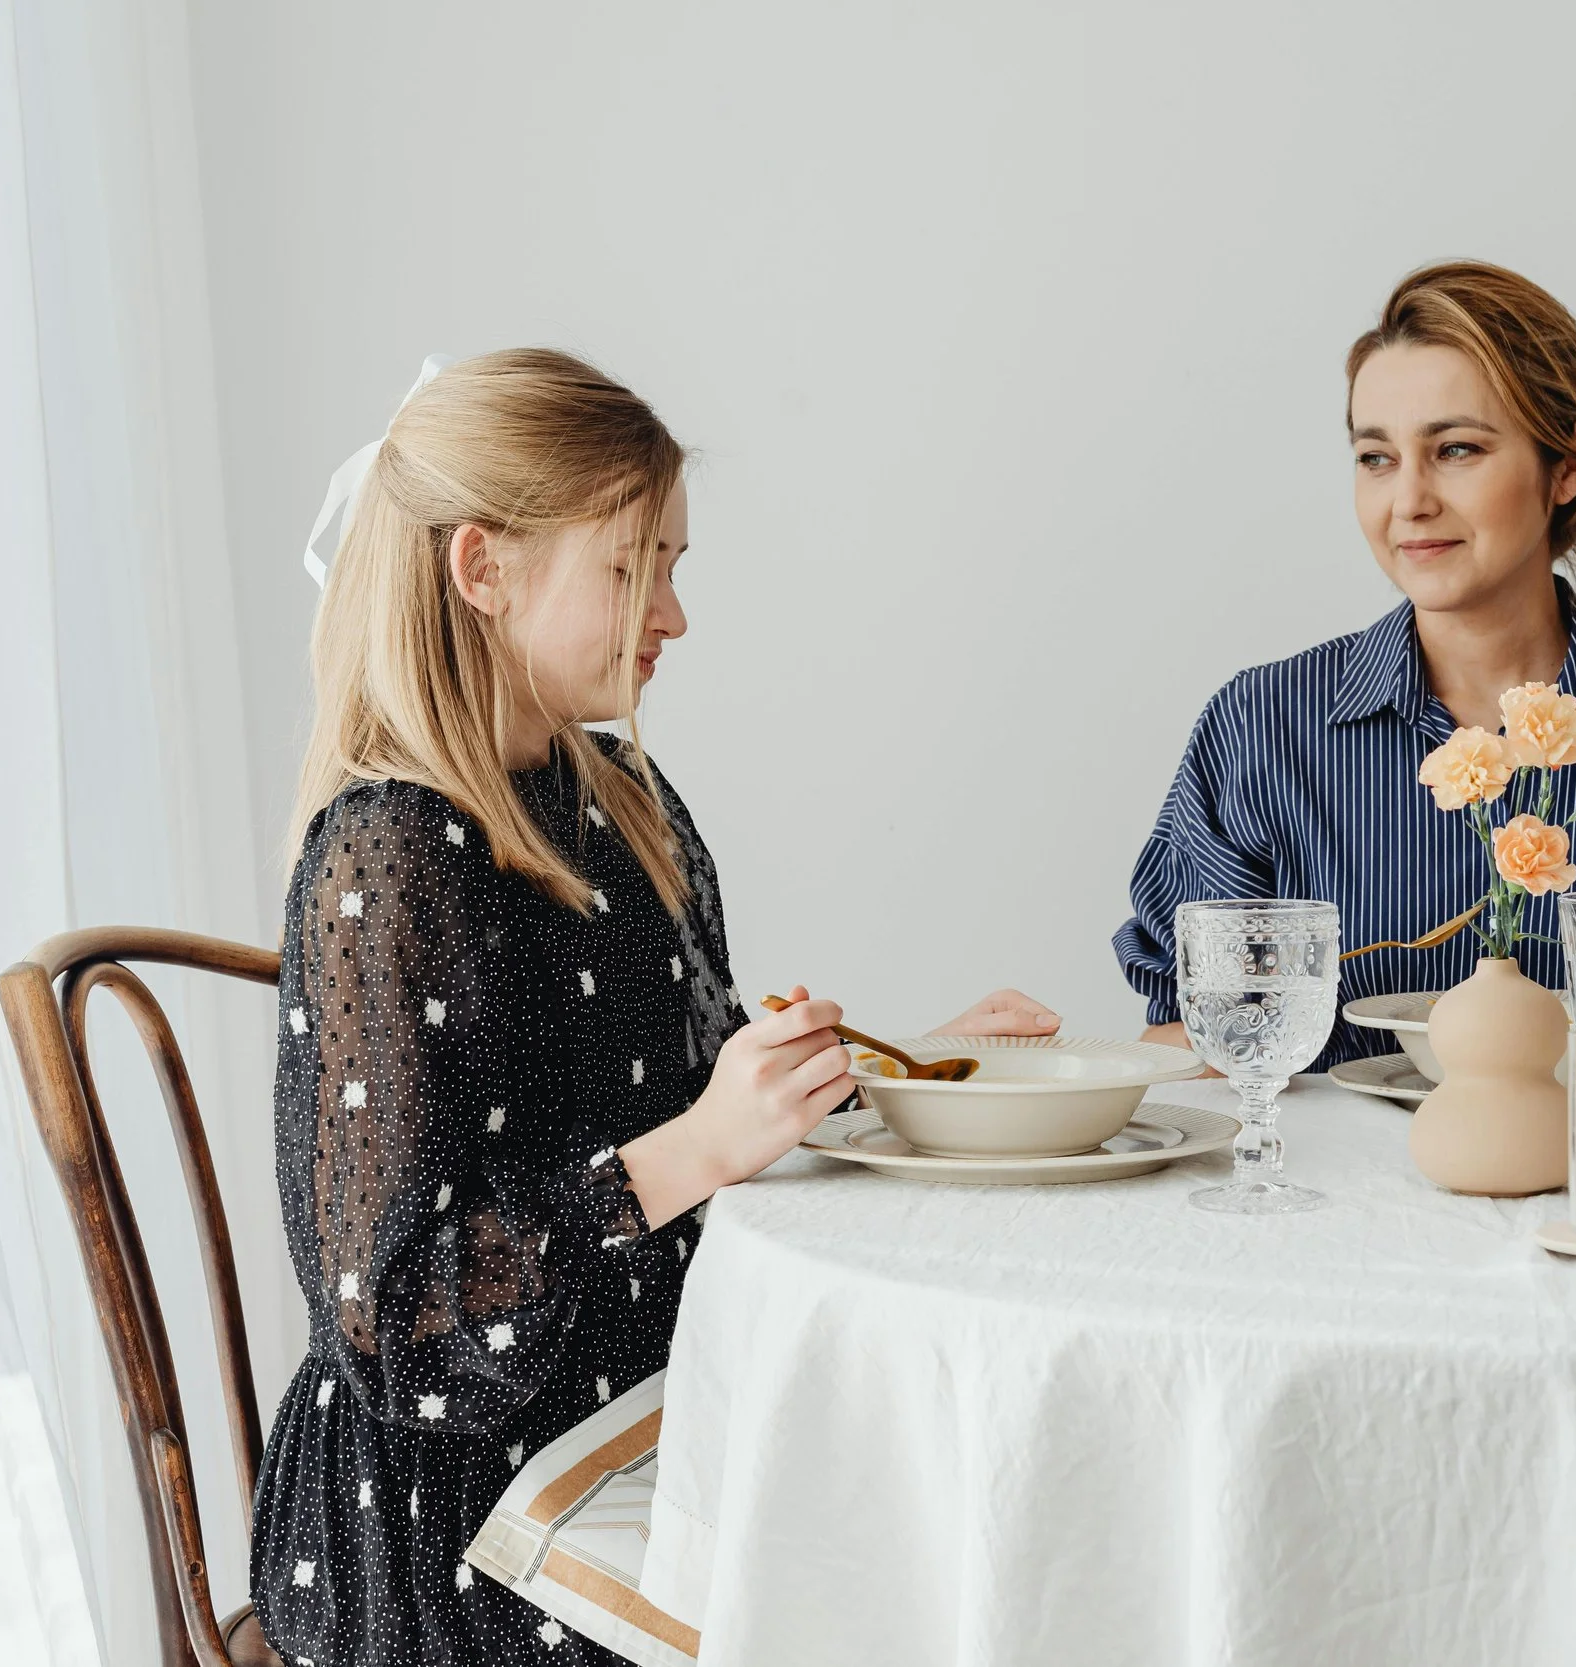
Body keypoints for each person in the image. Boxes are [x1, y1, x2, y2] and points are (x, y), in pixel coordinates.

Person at [253, 348, 1058, 1666]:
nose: (672, 614)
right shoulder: (388, 858)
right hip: (456, 1528)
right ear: (483, 570)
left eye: (674, 566)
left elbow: (691, 1091)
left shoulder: (622, 792)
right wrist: (699, 1147)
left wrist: (896, 1065)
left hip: (642, 1415)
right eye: (633, 566)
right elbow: (397, 1326)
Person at [1117, 261, 1576, 1091]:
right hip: (1342, 1208)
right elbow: (1189, 1032)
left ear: (1570, 460)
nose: (1410, 501)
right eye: (1375, 457)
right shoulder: (1260, 727)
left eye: (1456, 448)